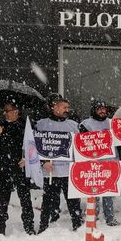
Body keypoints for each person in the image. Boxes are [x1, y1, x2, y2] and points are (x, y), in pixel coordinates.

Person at [37, 97, 83, 233]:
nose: (67, 110)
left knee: (73, 200)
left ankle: (77, 224)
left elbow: (80, 146)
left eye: (68, 108)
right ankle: (44, 226)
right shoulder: (41, 124)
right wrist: (43, 162)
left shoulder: (74, 125)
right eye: (64, 108)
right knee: (47, 201)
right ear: (54, 107)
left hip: (69, 171)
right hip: (50, 171)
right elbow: (34, 146)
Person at [0, 101, 35, 235]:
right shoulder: (0, 125)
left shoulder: (25, 126)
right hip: (3, 167)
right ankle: (0, 228)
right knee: (2, 200)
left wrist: (27, 158)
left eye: (8, 110)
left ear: (16, 111)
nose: (5, 113)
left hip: (20, 166)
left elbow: (33, 145)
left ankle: (29, 226)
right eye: (4, 110)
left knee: (25, 198)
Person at [79, 99, 121, 227]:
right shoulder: (86, 124)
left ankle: (110, 218)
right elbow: (81, 143)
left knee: (108, 192)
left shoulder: (112, 123)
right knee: (94, 192)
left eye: (104, 109)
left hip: (109, 161)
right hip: (93, 163)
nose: (102, 111)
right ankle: (93, 216)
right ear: (94, 110)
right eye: (99, 109)